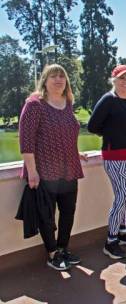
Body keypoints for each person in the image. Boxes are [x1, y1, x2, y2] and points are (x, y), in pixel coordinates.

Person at [19, 64, 87, 271]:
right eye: (53, 76)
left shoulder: (67, 103)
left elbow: (66, 134)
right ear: (45, 81)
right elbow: (26, 141)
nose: (58, 80)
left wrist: (76, 153)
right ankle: (52, 253)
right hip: (45, 171)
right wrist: (32, 171)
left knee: (68, 211)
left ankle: (63, 248)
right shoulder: (34, 104)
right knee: (46, 215)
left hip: (69, 169)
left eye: (62, 76)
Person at [88, 65, 126, 260]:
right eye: (121, 78)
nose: (125, 81)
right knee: (122, 196)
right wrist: (113, 133)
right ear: (113, 80)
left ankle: (124, 231)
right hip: (114, 156)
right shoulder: (108, 100)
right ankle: (110, 241)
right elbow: (93, 125)